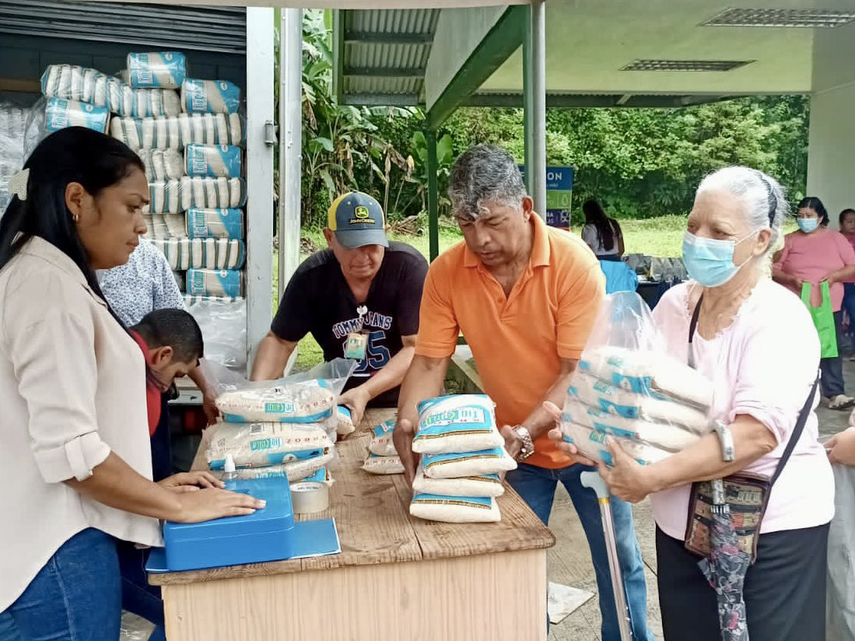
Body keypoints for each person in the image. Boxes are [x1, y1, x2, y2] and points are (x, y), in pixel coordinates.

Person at [549, 166, 834, 640]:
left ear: (761, 240)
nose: (699, 239)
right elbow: (642, 399)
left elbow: (755, 433)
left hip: (770, 533)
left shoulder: (779, 318)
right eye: (693, 225)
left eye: (719, 231)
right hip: (682, 524)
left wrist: (649, 478)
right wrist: (596, 436)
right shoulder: (676, 305)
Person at [0, 127, 263, 640]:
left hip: (63, 542)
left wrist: (149, 489)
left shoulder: (53, 275)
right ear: (77, 199)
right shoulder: (46, 287)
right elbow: (72, 453)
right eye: (132, 206)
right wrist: (176, 505)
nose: (142, 226)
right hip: (53, 561)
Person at [393, 144, 654, 641]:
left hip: (587, 442)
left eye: (492, 222)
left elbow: (576, 370)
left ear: (526, 208)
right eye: (466, 225)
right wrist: (410, 423)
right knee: (509, 566)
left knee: (619, 565)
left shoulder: (574, 263)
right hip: (511, 447)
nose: (480, 239)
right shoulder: (448, 272)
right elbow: (429, 359)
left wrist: (527, 431)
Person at [251, 190, 428, 426]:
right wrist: (253, 397)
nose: (362, 256)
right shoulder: (312, 277)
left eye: (371, 245)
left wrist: (365, 392)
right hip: (340, 404)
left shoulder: (408, 268)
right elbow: (280, 342)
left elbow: (416, 348)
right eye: (351, 245)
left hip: (404, 400)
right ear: (329, 237)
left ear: (385, 234)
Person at [121, 308, 206, 641]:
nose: (175, 385)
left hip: (133, 522)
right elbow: (96, 474)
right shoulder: (126, 380)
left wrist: (161, 488)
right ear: (163, 355)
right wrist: (168, 501)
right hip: (110, 542)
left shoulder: (138, 370)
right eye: (179, 374)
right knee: (188, 608)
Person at [98, 238, 219, 425]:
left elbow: (181, 336)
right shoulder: (66, 263)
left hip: (147, 387)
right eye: (131, 209)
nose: (141, 226)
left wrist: (206, 389)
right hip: (100, 390)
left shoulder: (148, 257)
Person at [773, 196, 855, 410]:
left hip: (829, 304)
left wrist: (835, 277)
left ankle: (835, 393)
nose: (804, 220)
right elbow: (773, 268)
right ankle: (796, 393)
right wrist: (791, 279)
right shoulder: (789, 240)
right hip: (796, 304)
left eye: (809, 216)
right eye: (800, 216)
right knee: (795, 347)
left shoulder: (836, 239)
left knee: (830, 347)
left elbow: (852, 265)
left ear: (820, 217)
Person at [839, 208, 855, 350]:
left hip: (853, 285)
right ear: (841, 224)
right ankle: (837, 347)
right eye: (849, 221)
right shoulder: (835, 239)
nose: (853, 224)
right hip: (836, 284)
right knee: (836, 317)